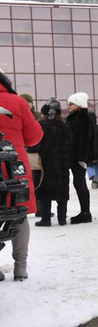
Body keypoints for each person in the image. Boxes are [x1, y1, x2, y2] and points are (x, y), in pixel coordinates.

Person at [0, 70, 43, 281]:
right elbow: (35, 137)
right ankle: (20, 267)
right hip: (13, 168)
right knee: (19, 213)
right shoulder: (17, 102)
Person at [30, 99, 72, 228]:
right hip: (62, 163)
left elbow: (34, 144)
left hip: (45, 163)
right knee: (62, 192)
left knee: (45, 191)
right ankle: (62, 219)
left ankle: (46, 219)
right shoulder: (65, 126)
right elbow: (71, 145)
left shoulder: (40, 126)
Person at [66, 92, 96, 224]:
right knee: (78, 183)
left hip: (78, 157)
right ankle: (84, 211)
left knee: (79, 183)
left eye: (71, 104)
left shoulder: (82, 118)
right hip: (75, 156)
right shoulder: (75, 117)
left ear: (78, 104)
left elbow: (84, 140)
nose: (69, 106)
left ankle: (85, 212)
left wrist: (81, 157)